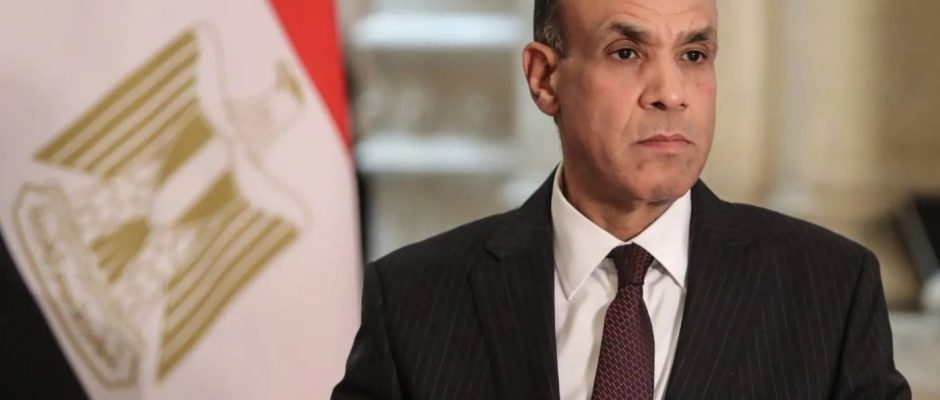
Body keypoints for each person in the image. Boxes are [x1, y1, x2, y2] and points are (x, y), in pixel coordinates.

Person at [332, 0, 912, 398]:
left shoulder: (829, 288)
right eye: (626, 53)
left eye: (693, 55)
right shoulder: (414, 299)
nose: (671, 94)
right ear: (544, 78)